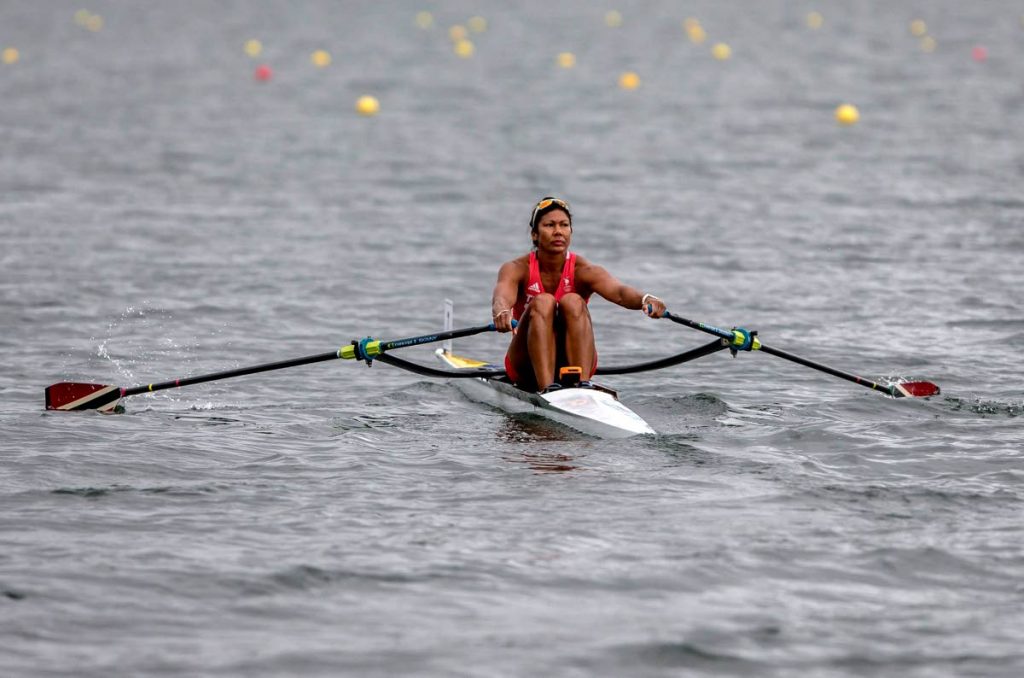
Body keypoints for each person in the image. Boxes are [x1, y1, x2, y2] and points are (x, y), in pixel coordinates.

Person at [491, 197, 667, 393]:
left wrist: (647, 299)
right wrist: (502, 312)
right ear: (534, 234)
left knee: (573, 300)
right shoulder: (516, 268)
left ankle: (582, 385)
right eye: (550, 225)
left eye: (564, 225)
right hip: (526, 366)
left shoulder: (583, 270)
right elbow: (502, 297)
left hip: (575, 362)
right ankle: (547, 388)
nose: (558, 231)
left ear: (570, 232)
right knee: (544, 301)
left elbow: (619, 292)